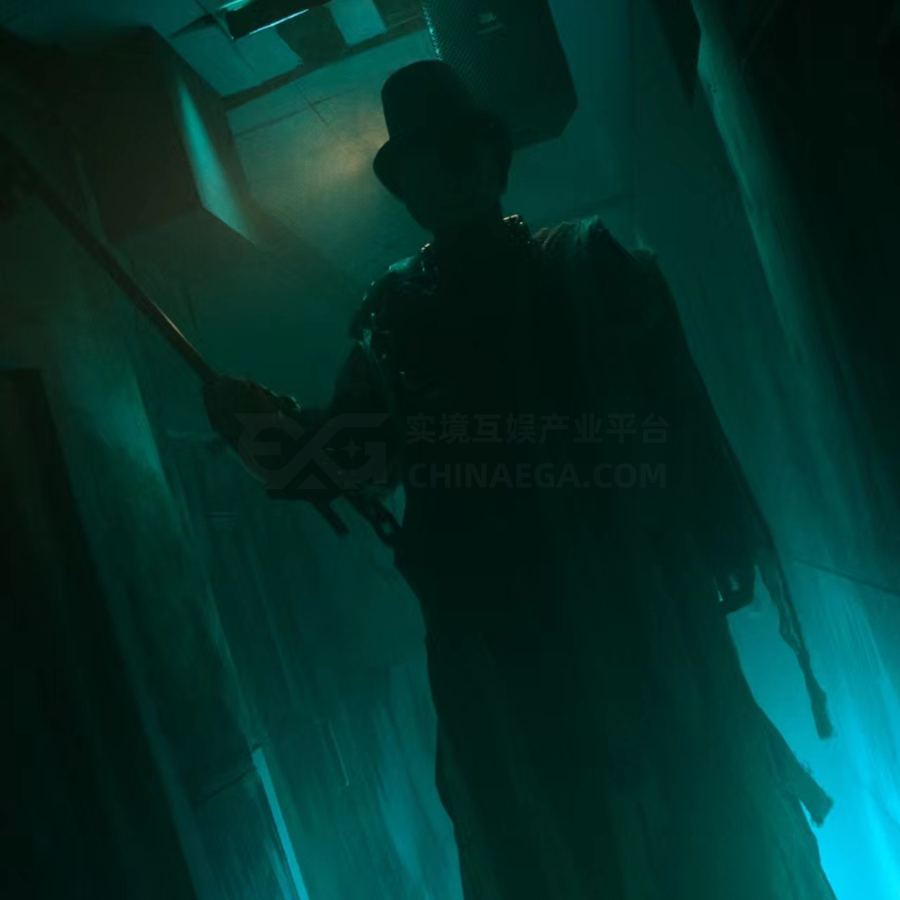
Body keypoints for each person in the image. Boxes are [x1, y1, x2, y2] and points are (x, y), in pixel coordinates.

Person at [204, 61, 838, 900]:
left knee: (704, 826)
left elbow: (678, 417)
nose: (450, 172)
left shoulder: (589, 264)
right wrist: (261, 429)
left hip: (635, 616)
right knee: (558, 845)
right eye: (426, 159)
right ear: (407, 188)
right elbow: (345, 460)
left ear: (494, 163)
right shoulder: (393, 323)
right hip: (502, 656)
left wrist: (712, 538)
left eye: (462, 150)